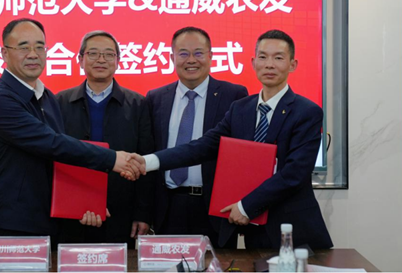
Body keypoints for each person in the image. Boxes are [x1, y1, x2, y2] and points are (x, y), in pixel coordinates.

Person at [130, 29, 333, 249]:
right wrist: (147, 161)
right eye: (263, 57)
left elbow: (294, 174)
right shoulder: (241, 108)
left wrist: (246, 206)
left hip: (289, 227)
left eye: (278, 58)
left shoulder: (307, 112)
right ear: (253, 63)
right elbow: (203, 146)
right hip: (253, 230)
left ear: (292, 65)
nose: (269, 65)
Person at [0, 18, 141, 240]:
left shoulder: (46, 97)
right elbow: (52, 144)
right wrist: (113, 158)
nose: (33, 54)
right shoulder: (0, 100)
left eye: (39, 47)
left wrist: (85, 201)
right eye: (24, 47)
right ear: (4, 53)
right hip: (13, 224)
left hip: (47, 222)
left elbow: (62, 161)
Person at [145, 27, 248, 243]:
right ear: (172, 57)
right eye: (183, 53)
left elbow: (241, 155)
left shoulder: (234, 95)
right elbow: (149, 150)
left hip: (215, 208)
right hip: (167, 207)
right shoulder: (155, 98)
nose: (191, 60)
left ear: (211, 56)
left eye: (199, 53)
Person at [56, 30, 155, 245]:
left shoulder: (138, 104)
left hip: (122, 211)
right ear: (80, 59)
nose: (101, 60)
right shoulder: (60, 103)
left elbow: (146, 160)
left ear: (118, 61)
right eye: (93, 53)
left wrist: (143, 213)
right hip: (71, 209)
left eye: (109, 54)